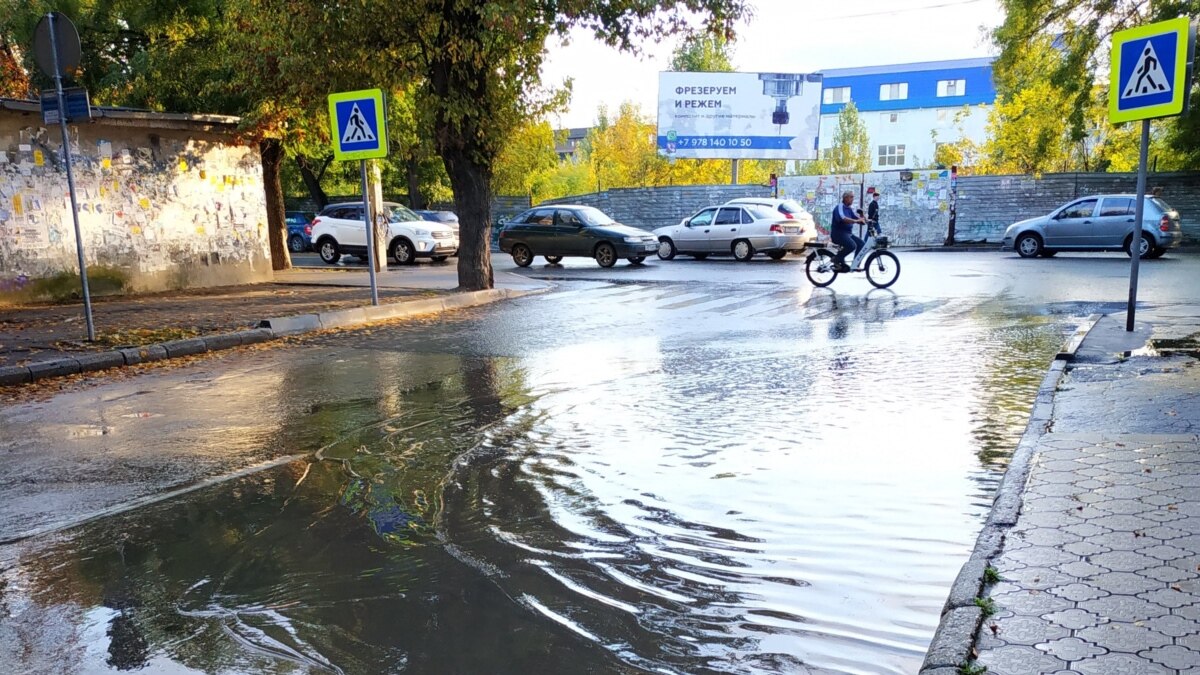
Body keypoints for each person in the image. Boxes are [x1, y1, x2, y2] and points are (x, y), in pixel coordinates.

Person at [830, 191, 866, 272]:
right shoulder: (839, 207)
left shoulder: (849, 209)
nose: (853, 199)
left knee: (861, 244)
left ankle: (856, 264)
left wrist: (864, 218)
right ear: (846, 198)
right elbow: (843, 218)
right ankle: (836, 259)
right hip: (838, 234)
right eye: (851, 197)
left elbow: (857, 218)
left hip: (847, 234)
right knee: (852, 245)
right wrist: (856, 221)